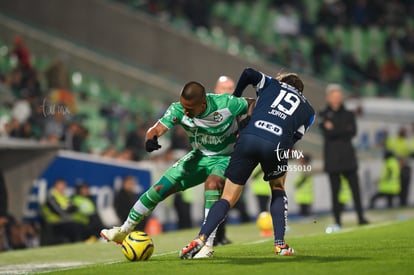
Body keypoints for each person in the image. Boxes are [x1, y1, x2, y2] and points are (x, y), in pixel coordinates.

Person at [101, 81, 254, 258]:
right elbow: (156, 127)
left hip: (225, 157)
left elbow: (251, 102)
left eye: (189, 108)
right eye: (183, 106)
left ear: (203, 104)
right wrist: (151, 137)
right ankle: (124, 229)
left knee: (213, 184)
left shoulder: (226, 103)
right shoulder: (179, 109)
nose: (185, 112)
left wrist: (248, 123)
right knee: (159, 188)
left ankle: (206, 245)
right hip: (198, 156)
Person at [179, 67, 315, 259]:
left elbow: (249, 72)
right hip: (276, 143)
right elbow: (295, 136)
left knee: (227, 198)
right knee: (277, 188)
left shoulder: (273, 84)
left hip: (249, 138)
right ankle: (280, 245)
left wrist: (235, 97)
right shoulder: (309, 110)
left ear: (283, 81)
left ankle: (201, 238)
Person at [318, 84, 368, 229]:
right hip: (332, 158)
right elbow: (328, 132)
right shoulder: (322, 114)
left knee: (356, 190)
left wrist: (334, 128)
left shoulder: (348, 114)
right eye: (334, 96)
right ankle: (337, 221)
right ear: (328, 97)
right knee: (335, 192)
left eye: (339, 96)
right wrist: (341, 129)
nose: (337, 99)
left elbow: (352, 132)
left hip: (348, 157)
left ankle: (361, 217)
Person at [40, 179, 82, 244]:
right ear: (55, 186)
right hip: (54, 222)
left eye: (64, 185)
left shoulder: (64, 196)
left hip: (65, 221)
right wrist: (67, 210)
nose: (62, 187)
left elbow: (75, 208)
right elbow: (58, 212)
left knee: (79, 225)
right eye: (60, 185)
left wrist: (67, 210)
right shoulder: (51, 196)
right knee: (73, 227)